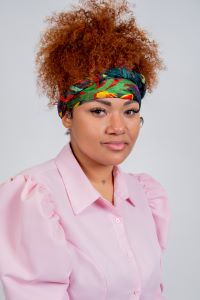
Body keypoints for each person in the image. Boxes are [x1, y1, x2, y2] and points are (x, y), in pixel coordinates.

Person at [0, 0, 171, 299]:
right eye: (98, 111)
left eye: (130, 111)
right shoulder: (37, 200)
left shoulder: (145, 196)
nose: (119, 127)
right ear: (66, 114)